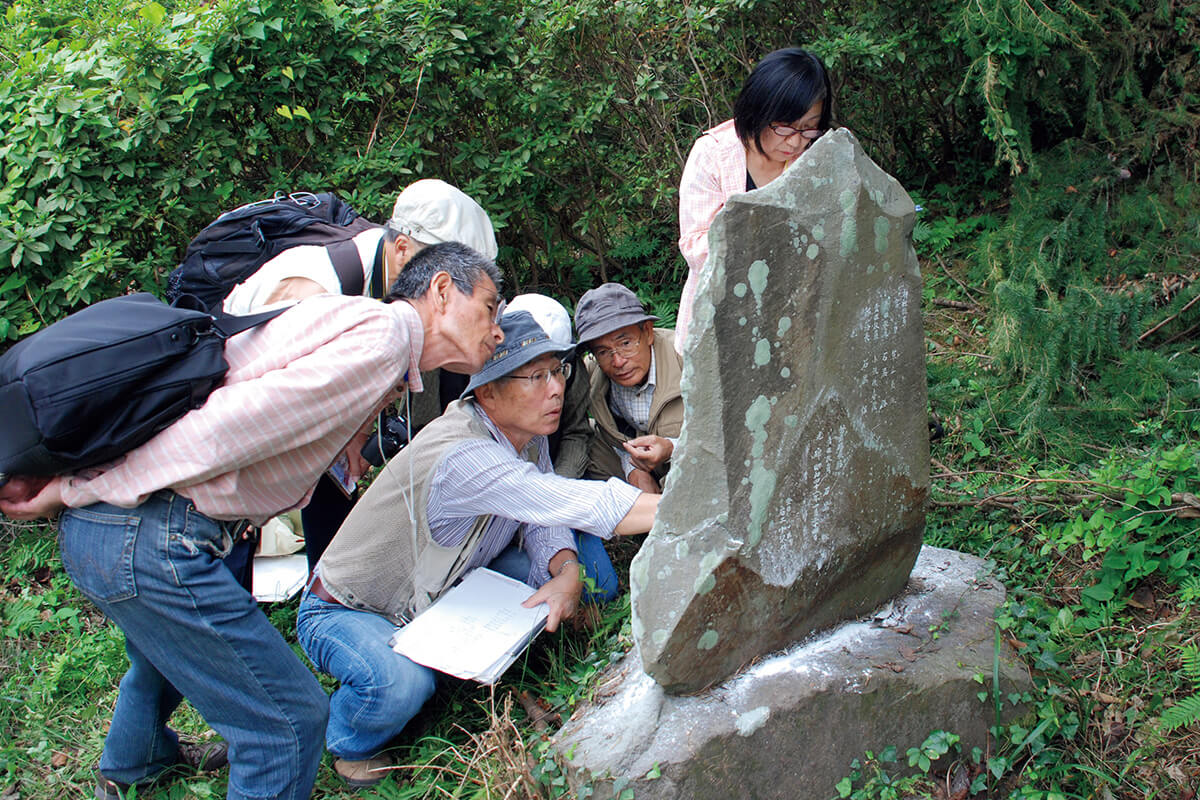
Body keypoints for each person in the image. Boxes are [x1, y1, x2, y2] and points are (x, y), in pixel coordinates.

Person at [0, 242, 504, 800]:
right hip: (145, 533)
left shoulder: (364, 327)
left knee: (168, 651)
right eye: (489, 308)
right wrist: (76, 489)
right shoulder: (381, 340)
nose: (498, 331)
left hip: (121, 534)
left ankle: (136, 762)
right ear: (441, 291)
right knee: (288, 725)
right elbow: (220, 430)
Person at [297, 311, 660, 789]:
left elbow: (540, 516)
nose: (556, 389)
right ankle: (348, 740)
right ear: (487, 393)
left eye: (557, 371)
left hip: (442, 585)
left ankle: (454, 656)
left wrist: (566, 569)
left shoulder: (524, 434)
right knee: (401, 684)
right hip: (351, 608)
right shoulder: (464, 454)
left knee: (576, 579)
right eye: (536, 377)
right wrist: (683, 509)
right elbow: (564, 500)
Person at [223, 179, 499, 576]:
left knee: (334, 518)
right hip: (228, 461)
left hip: (318, 448)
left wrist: (356, 431)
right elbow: (247, 407)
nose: (449, 296)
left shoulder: (390, 283)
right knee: (223, 569)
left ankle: (329, 596)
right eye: (450, 279)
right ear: (402, 248)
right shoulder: (314, 289)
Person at [675, 47, 834, 353]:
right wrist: (758, 234)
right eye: (784, 126)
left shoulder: (816, 158)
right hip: (722, 321)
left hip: (793, 321)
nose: (795, 141)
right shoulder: (713, 155)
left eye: (808, 127)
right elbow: (694, 246)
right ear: (758, 110)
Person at [575, 282, 683, 494]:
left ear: (648, 332)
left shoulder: (687, 357)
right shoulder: (591, 374)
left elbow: (725, 433)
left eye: (625, 343)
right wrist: (632, 469)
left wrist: (672, 447)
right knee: (587, 441)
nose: (618, 361)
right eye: (603, 352)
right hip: (635, 463)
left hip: (693, 465)